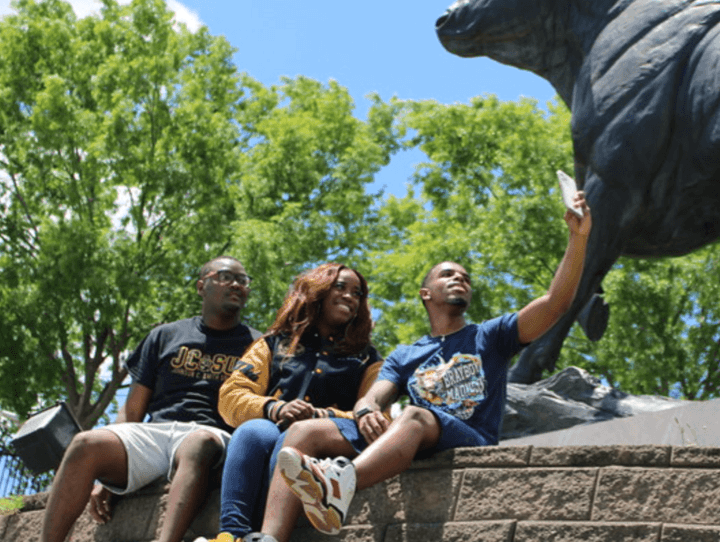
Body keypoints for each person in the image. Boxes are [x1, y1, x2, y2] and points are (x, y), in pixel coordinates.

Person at [251, 192, 591, 542]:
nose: (460, 279)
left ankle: (342, 484)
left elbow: (555, 304)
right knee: (304, 431)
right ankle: (269, 537)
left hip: (469, 438)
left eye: (465, 278)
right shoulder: (404, 355)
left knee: (414, 415)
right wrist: (366, 410)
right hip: (412, 436)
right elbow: (374, 397)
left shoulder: (490, 336)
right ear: (426, 293)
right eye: (448, 275)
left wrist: (578, 238)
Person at [40, 256, 262, 542]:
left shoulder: (259, 347)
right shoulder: (165, 335)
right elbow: (133, 410)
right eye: (225, 276)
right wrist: (104, 475)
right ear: (201, 286)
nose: (236, 284)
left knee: (198, 443)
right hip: (155, 432)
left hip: (212, 435)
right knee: (85, 443)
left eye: (243, 280)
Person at [195, 262, 383, 542]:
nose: (349, 297)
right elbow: (231, 396)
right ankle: (231, 535)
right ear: (316, 290)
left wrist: (322, 415)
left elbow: (374, 415)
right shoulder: (273, 344)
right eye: (340, 287)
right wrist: (276, 407)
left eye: (357, 293)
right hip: (272, 425)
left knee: (290, 442)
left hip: (325, 442)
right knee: (252, 431)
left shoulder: (368, 358)